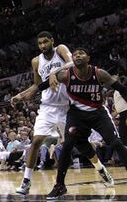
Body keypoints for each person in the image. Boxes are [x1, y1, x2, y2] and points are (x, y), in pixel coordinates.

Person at [12, 32, 112, 195]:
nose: (43, 45)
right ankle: (26, 181)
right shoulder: (36, 61)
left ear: (52, 41)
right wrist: (20, 96)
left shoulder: (61, 50)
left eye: (45, 42)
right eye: (40, 43)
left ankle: (101, 169)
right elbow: (38, 86)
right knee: (36, 141)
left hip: (68, 106)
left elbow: (72, 63)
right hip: (47, 107)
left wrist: (54, 72)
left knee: (81, 144)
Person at [35, 48, 127, 199]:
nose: (77, 55)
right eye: (75, 54)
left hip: (98, 112)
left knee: (115, 142)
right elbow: (44, 85)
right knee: (67, 146)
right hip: (76, 115)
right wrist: (27, 93)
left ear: (88, 58)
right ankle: (60, 186)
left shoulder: (99, 73)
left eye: (81, 53)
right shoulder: (66, 74)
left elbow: (121, 89)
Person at [113, 75, 127, 145]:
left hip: (125, 112)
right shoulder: (115, 91)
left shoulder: (121, 89)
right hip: (121, 114)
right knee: (122, 134)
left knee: (123, 134)